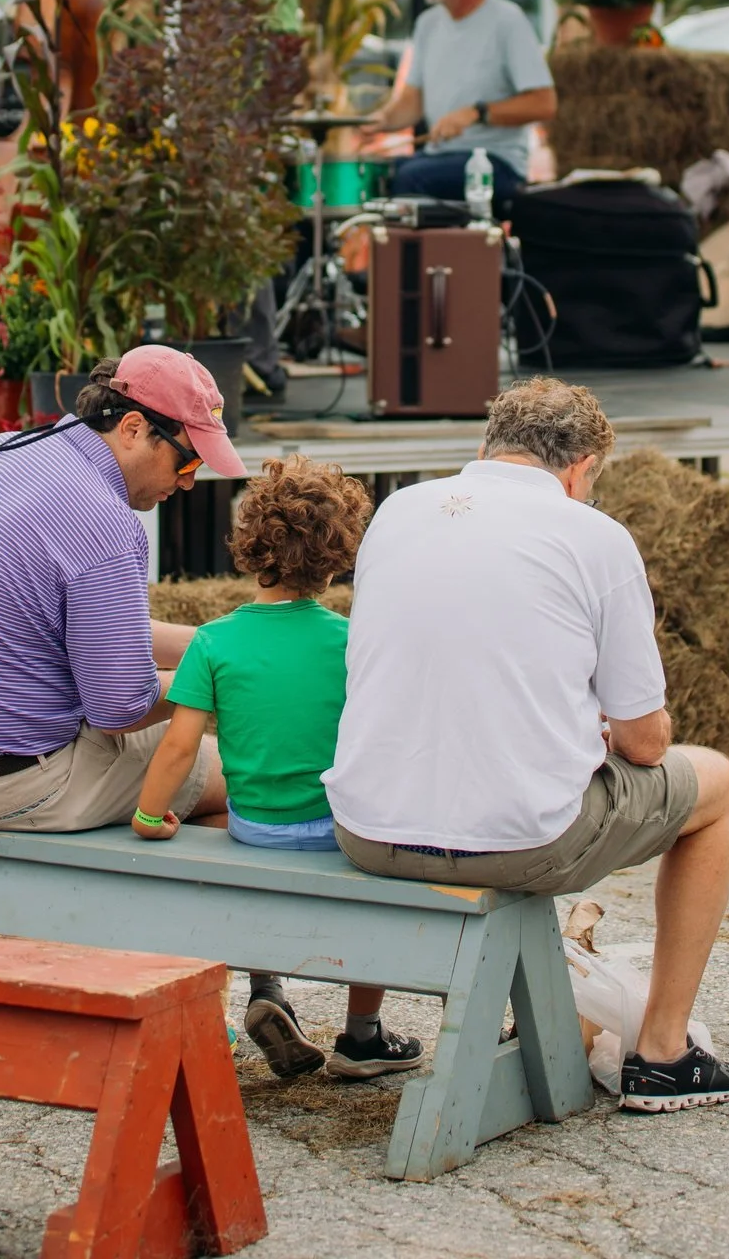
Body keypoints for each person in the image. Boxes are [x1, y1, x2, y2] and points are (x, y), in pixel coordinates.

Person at [325, 377, 729, 1115]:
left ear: (485, 446)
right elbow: (647, 742)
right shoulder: (594, 536)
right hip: (516, 839)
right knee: (716, 782)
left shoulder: (397, 512)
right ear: (582, 468)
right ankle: (663, 1052)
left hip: (367, 828)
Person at [131, 455, 424, 1082]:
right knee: (378, 891)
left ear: (249, 540)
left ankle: (267, 985)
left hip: (254, 826)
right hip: (335, 830)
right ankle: (362, 1036)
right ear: (337, 554)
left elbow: (179, 747)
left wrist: (149, 814)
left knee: (235, 854)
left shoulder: (213, 640)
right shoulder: (349, 640)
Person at [0, 348, 239, 834]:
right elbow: (119, 708)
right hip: (5, 789)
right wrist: (226, 675)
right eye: (186, 461)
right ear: (131, 429)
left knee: (186, 794)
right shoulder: (106, 522)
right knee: (242, 779)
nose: (188, 483)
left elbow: (81, 624)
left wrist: (212, 645)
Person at [359, 0, 555, 216]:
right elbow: (412, 103)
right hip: (437, 158)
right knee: (374, 174)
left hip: (495, 163)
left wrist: (477, 112)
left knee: (411, 178)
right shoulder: (428, 24)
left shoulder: (507, 20)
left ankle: (420, 259)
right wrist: (380, 120)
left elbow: (544, 103)